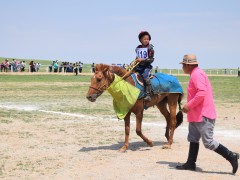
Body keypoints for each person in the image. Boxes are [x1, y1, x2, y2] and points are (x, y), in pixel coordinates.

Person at [176, 54, 239, 174]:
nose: (182, 67)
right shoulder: (194, 73)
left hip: (203, 114)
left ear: (188, 65)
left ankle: (231, 156)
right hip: (196, 114)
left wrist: (188, 105)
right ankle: (190, 163)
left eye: (183, 64)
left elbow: (201, 93)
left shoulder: (197, 74)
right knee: (193, 138)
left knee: (208, 142)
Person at [134, 31, 154, 101]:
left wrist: (142, 60)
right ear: (140, 40)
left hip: (146, 67)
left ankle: (148, 95)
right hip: (138, 66)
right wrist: (136, 60)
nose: (146, 40)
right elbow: (137, 57)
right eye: (144, 39)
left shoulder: (150, 48)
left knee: (145, 77)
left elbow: (151, 59)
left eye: (147, 39)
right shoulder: (138, 48)